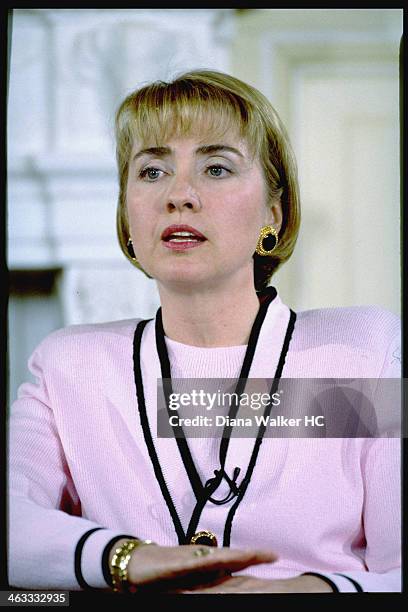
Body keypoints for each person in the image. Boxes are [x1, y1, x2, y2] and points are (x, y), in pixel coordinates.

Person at [8, 69, 401, 594]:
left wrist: (308, 590)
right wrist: (125, 559)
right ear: (127, 216)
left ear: (274, 216)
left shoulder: (360, 349)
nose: (180, 195)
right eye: (151, 172)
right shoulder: (69, 364)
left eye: (216, 168)